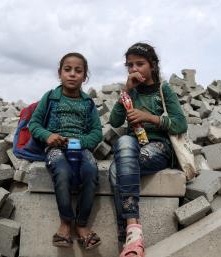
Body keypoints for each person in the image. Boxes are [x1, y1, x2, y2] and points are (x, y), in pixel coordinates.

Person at [109, 43, 188, 257]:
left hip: (159, 147)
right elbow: (114, 120)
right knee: (124, 141)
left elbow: (181, 124)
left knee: (117, 170)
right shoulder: (130, 92)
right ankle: (134, 232)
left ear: (152, 66)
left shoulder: (164, 90)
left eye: (140, 64)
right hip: (132, 145)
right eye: (130, 65)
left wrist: (148, 117)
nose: (134, 69)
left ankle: (126, 232)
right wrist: (126, 91)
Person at [29, 52, 103, 250]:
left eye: (78, 71)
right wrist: (48, 136)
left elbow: (97, 133)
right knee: (62, 171)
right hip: (55, 147)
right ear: (59, 73)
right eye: (67, 69)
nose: (72, 74)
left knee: (90, 171)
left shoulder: (88, 103)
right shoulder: (51, 97)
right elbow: (34, 124)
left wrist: (80, 141)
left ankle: (81, 224)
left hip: (80, 147)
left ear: (85, 77)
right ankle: (65, 223)